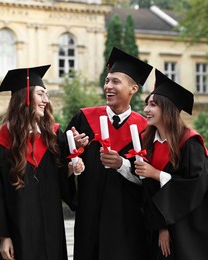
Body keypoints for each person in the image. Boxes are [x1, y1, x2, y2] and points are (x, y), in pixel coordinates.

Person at [0, 65, 84, 260]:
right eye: (41, 94)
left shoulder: (52, 135)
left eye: (46, 95)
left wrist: (70, 168)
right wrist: (4, 236)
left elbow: (59, 181)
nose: (46, 100)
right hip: (19, 233)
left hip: (52, 228)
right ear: (25, 97)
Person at [67, 47, 153, 259]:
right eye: (107, 81)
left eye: (116, 82)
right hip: (90, 216)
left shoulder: (145, 129)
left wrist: (122, 164)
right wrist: (72, 154)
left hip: (128, 219)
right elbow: (60, 164)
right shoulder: (84, 119)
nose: (108, 86)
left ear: (133, 89)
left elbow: (151, 179)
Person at [134, 69, 208, 260]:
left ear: (167, 108)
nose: (146, 110)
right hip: (159, 224)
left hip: (190, 228)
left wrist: (156, 174)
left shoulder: (190, 143)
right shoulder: (147, 143)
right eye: (147, 105)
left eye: (152, 105)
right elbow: (148, 190)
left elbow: (195, 187)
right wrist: (162, 227)